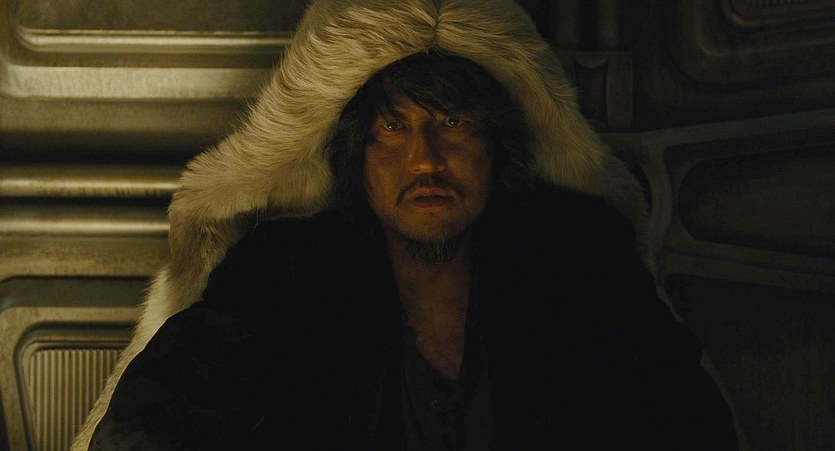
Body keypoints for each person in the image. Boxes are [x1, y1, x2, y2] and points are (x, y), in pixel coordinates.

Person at [73, 0, 739, 449]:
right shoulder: (287, 271)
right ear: (357, 156)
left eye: (452, 122)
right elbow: (151, 421)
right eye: (393, 127)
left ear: (495, 145)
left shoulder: (576, 257)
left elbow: (686, 420)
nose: (425, 159)